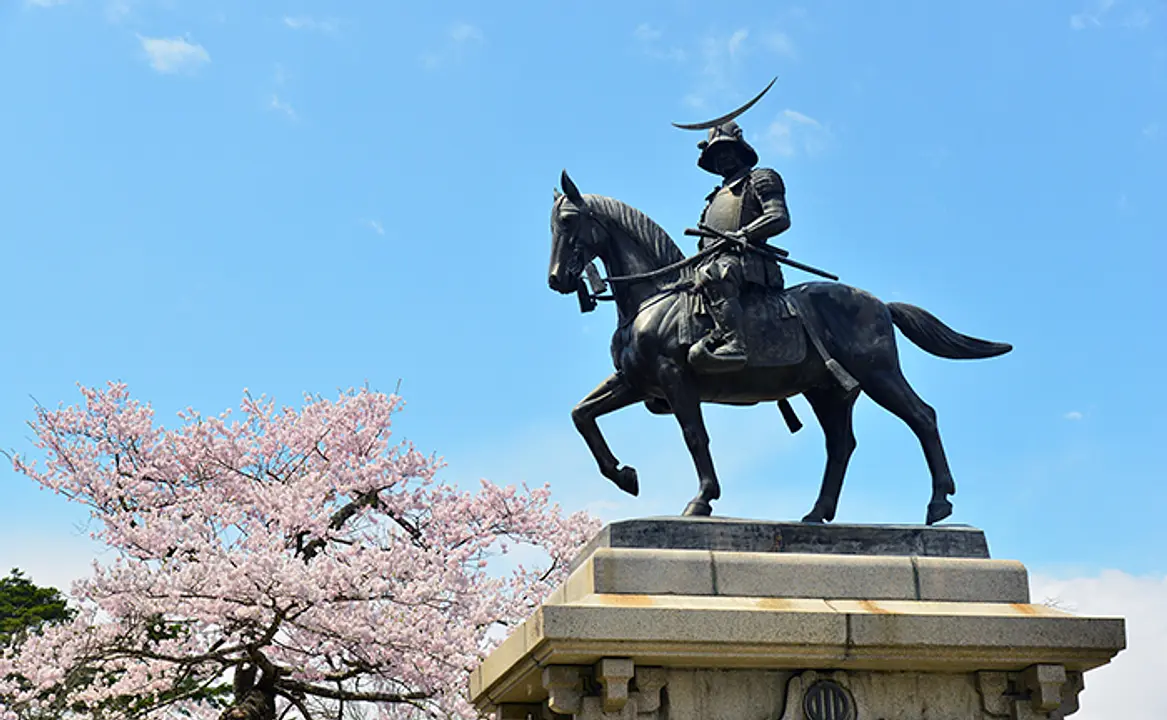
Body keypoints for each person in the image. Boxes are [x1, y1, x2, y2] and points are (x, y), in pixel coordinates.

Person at [690, 121, 791, 372]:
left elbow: (778, 216)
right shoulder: (714, 197)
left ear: (740, 150)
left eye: (726, 151)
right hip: (713, 262)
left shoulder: (760, 178)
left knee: (716, 274)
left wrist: (743, 234)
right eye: (716, 156)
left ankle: (735, 343)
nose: (722, 159)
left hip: (748, 262)